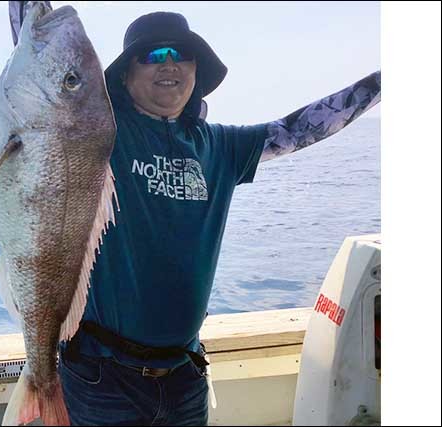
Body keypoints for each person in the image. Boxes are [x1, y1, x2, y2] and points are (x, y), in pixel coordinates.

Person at [56, 11, 381, 426]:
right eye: (154, 54)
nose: (170, 63)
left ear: (196, 72)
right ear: (124, 75)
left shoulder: (221, 146)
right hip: (103, 375)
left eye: (184, 54)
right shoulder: (102, 134)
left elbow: (303, 127)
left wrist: (382, 82)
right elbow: (44, 70)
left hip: (185, 373)